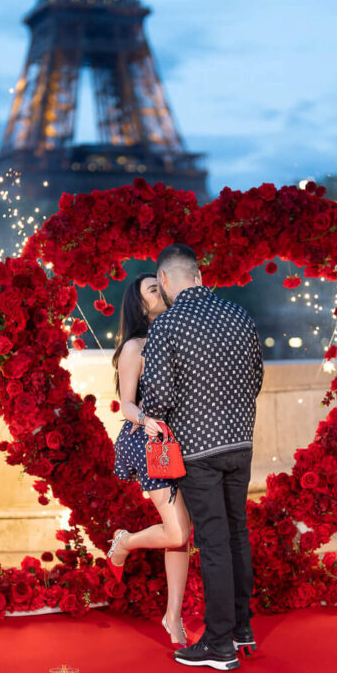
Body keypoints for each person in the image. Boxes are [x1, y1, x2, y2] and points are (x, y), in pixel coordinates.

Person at [139, 244, 264, 672]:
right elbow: (257, 377)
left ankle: (218, 645)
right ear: (198, 274)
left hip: (198, 448)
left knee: (213, 543)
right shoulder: (239, 314)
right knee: (236, 535)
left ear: (168, 280)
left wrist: (158, 416)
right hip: (240, 443)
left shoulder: (169, 325)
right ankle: (241, 629)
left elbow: (157, 396)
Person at [107, 272, 193, 649]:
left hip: (183, 442)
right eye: (153, 289)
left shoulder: (175, 335)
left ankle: (172, 617)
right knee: (177, 533)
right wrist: (147, 420)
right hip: (149, 441)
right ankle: (124, 542)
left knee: (182, 535)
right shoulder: (134, 346)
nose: (162, 293)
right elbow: (126, 403)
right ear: (140, 303)